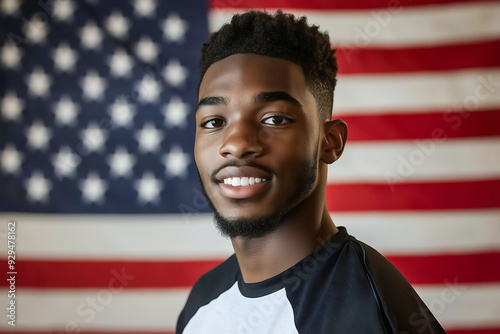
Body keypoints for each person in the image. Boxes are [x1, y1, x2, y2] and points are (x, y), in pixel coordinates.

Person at [176, 10, 446, 334]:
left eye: (274, 119)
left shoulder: (365, 311)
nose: (235, 143)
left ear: (330, 142)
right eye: (214, 122)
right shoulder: (202, 300)